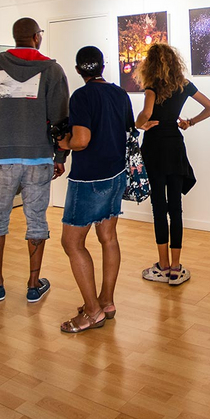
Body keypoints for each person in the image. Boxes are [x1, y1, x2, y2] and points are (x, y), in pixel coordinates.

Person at [0, 17, 70, 303]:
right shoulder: (52, 70)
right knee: (36, 219)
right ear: (36, 37)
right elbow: (61, 118)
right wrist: (60, 155)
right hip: (39, 156)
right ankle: (34, 283)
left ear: (15, 38)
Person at [55, 47, 132, 333]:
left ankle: (92, 312)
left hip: (89, 180)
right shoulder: (120, 94)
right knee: (108, 237)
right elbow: (126, 129)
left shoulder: (82, 96)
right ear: (103, 66)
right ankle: (106, 302)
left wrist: (64, 143)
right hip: (116, 174)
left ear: (78, 70)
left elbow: (82, 140)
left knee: (72, 243)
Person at [134, 43, 210, 286]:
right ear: (173, 61)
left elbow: (146, 115)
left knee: (159, 207)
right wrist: (189, 122)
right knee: (176, 208)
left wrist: (140, 123)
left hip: (154, 148)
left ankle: (162, 266)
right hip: (175, 146)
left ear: (150, 64)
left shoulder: (151, 87)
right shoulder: (183, 85)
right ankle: (176, 269)